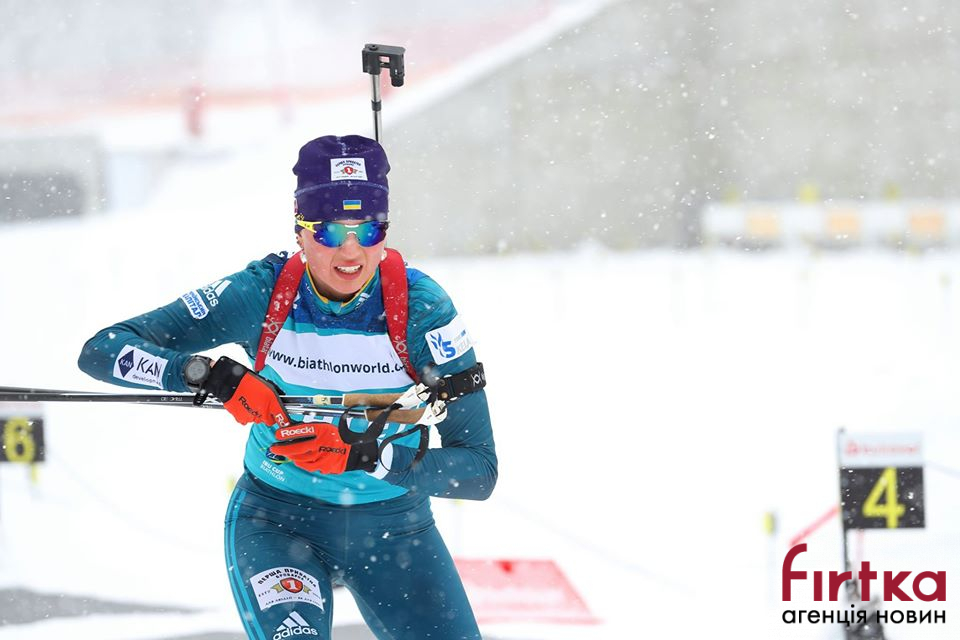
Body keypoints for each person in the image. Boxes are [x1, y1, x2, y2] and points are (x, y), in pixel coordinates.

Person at [78, 134, 497, 640]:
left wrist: (363, 456)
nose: (351, 250)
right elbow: (102, 350)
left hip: (395, 530)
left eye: (368, 229)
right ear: (300, 230)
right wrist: (210, 376)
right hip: (278, 522)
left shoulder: (422, 309)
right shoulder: (263, 292)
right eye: (330, 231)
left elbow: (479, 471)